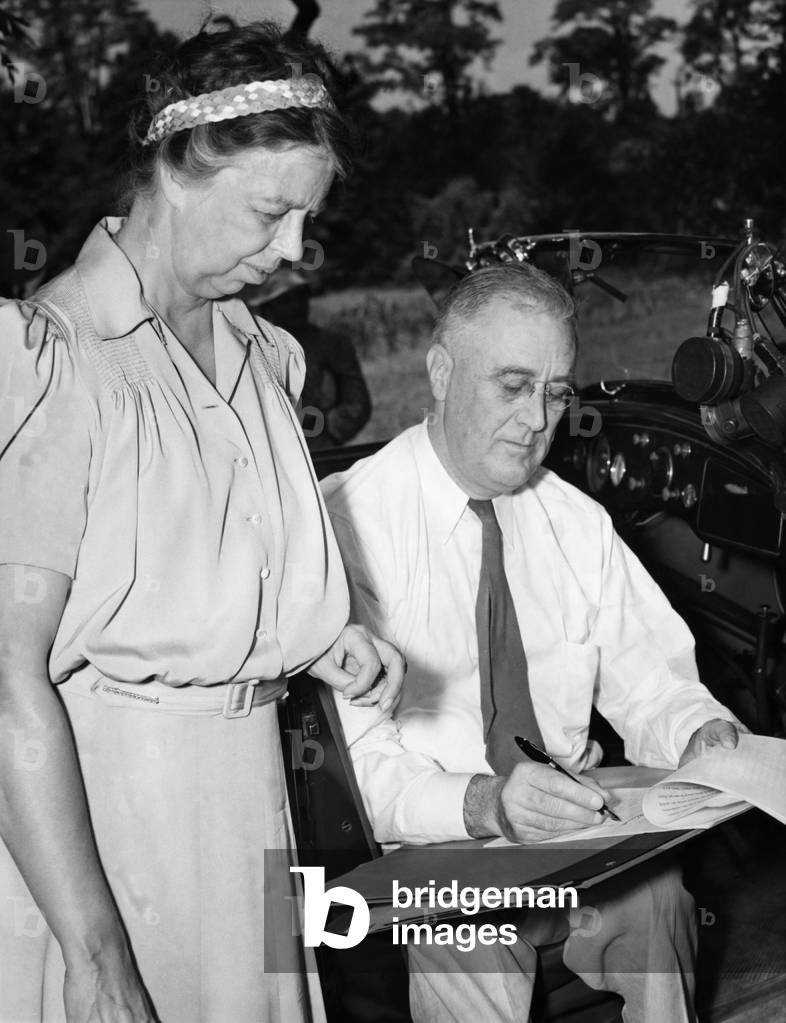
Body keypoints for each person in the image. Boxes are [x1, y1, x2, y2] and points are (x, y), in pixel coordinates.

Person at [0, 21, 404, 1023]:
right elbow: (7, 679)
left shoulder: (264, 358)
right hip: (109, 834)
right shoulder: (58, 360)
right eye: (271, 212)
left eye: (307, 219)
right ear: (180, 171)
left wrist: (309, 636)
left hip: (251, 807)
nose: (294, 250)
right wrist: (96, 957)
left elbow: (182, 572)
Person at [321, 263, 744, 1023]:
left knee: (659, 897)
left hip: (572, 832)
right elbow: (357, 773)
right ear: (441, 371)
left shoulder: (575, 522)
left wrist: (699, 731)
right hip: (433, 840)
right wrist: (487, 805)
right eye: (512, 386)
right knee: (463, 935)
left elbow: (653, 683)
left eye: (555, 393)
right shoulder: (347, 527)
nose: (535, 419)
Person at [250, 269, 372, 448]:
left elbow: (357, 403)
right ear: (268, 308)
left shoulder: (333, 344)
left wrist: (327, 430)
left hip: (323, 447)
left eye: (301, 296)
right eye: (285, 300)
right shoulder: (253, 352)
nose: (296, 305)